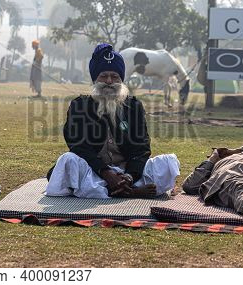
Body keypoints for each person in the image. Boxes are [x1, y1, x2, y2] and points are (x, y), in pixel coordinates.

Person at [45, 43, 180, 199]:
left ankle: (119, 189)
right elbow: (78, 146)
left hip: (127, 172)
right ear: (95, 78)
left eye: (115, 76)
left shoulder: (133, 106)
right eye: (104, 76)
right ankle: (130, 192)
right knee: (68, 161)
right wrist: (106, 172)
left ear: (121, 80)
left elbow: (141, 148)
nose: (109, 81)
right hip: (94, 171)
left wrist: (129, 177)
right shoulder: (79, 105)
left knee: (168, 162)